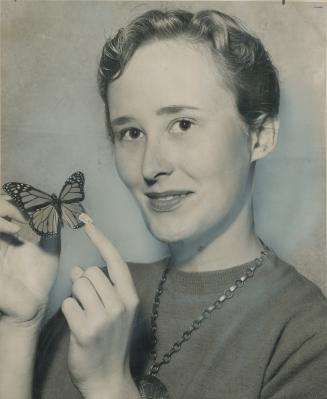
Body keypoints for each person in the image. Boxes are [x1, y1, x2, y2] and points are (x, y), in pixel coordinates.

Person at [0, 8, 327, 399]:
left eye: (183, 124)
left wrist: (109, 386)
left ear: (260, 137)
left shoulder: (307, 333)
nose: (151, 166)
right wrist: (21, 325)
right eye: (131, 132)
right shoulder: (98, 295)